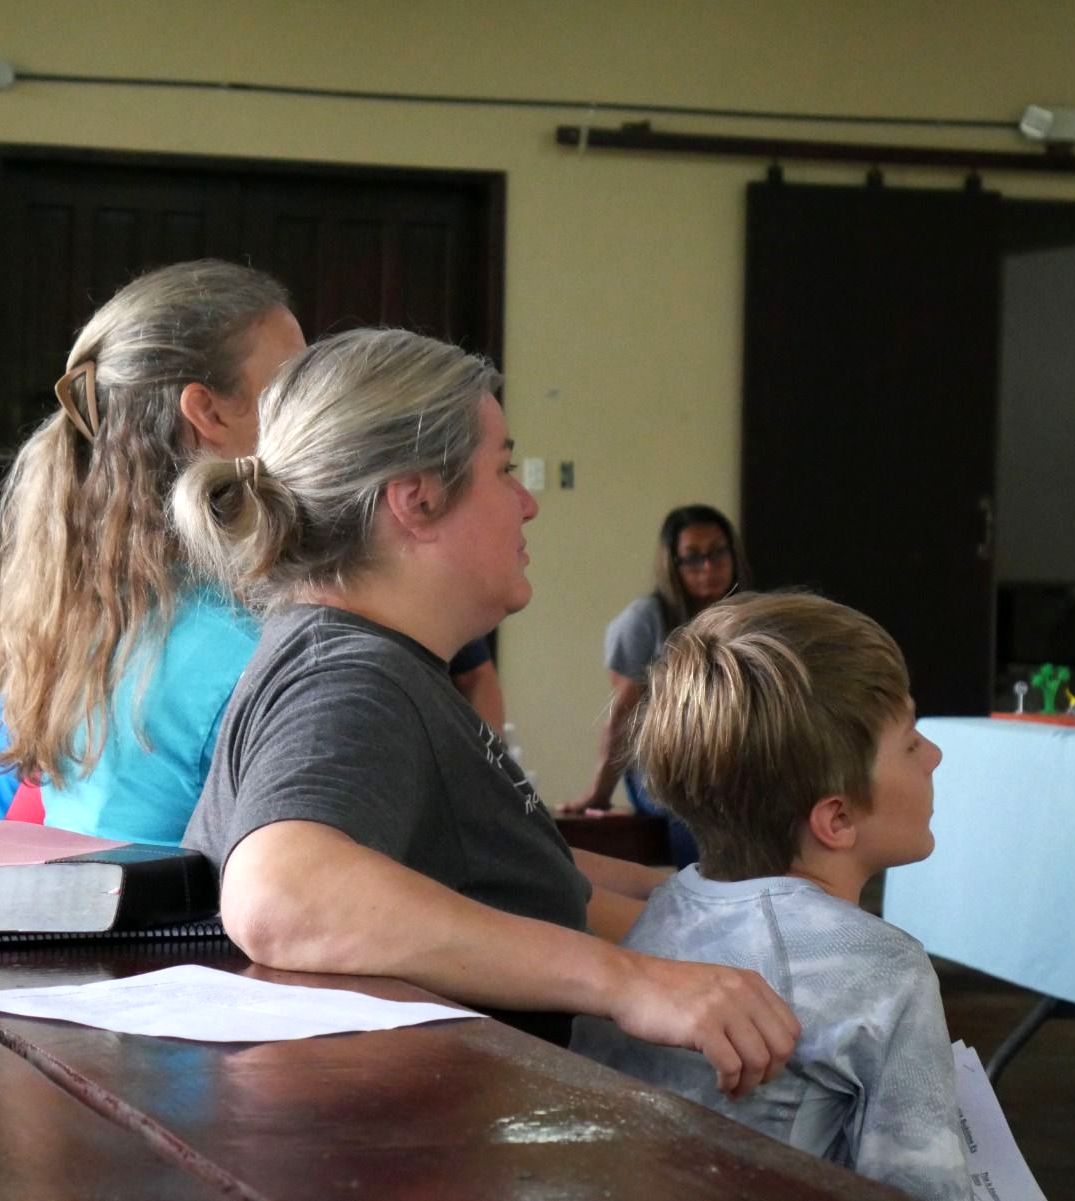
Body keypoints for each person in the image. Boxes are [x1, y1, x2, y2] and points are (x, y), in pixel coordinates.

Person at [172, 327, 799, 1083]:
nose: (528, 502)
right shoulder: (353, 680)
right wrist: (623, 980)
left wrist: (707, 899)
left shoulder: (369, 661)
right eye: (502, 469)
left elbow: (493, 868)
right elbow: (281, 893)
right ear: (418, 501)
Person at [571, 592, 973, 1201]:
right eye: (912, 741)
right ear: (835, 820)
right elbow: (923, 1189)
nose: (936, 756)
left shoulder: (639, 936)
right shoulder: (883, 968)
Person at [0, 260, 305, 843]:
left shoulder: (74, 610)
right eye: (293, 384)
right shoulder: (243, 654)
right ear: (207, 412)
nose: (315, 409)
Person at [561, 504, 751, 867]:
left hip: (735, 756)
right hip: (666, 763)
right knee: (694, 811)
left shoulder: (749, 615)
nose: (708, 568)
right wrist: (598, 793)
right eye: (693, 559)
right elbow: (624, 713)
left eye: (717, 553)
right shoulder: (645, 619)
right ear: (673, 565)